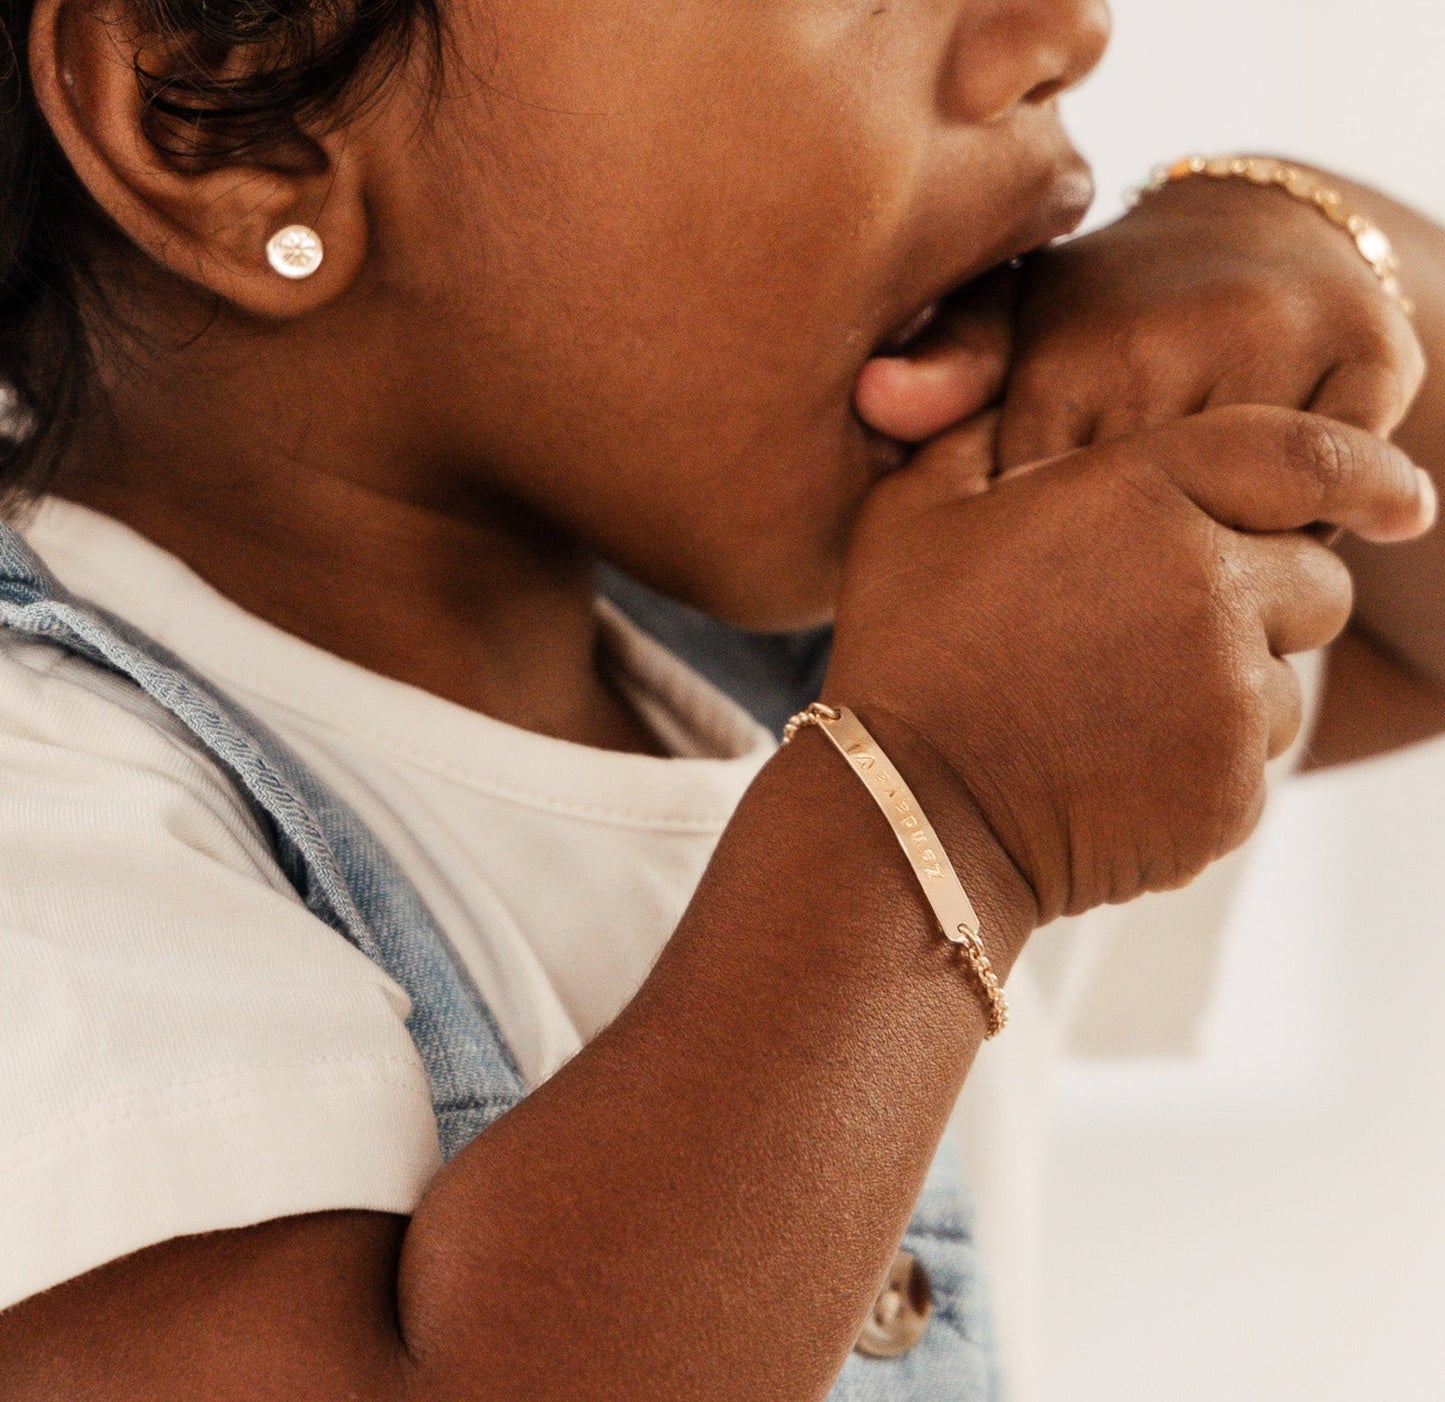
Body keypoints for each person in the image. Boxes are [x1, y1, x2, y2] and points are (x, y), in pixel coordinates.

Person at [0, 0, 1443, 1396]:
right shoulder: (50, 826)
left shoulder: (853, 629)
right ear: (224, 102)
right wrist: (942, 811)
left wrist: (1309, 247)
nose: (1059, 28)